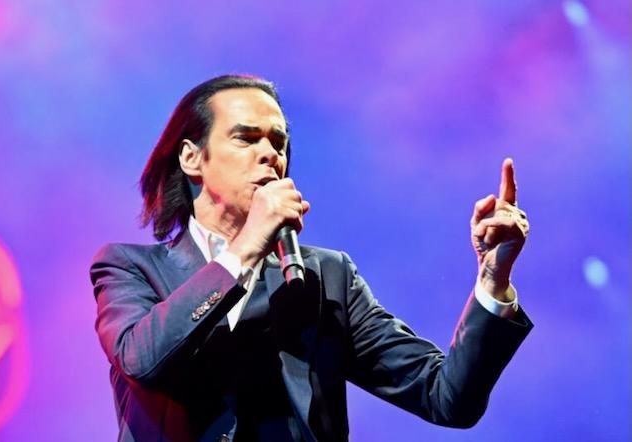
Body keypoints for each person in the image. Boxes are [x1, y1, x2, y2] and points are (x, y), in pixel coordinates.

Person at [90, 74, 533, 442]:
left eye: (278, 143)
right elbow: (142, 360)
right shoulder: (130, 269)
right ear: (192, 158)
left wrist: (493, 280)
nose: (271, 155)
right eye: (246, 138)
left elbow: (447, 397)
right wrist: (247, 246)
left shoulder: (327, 277)